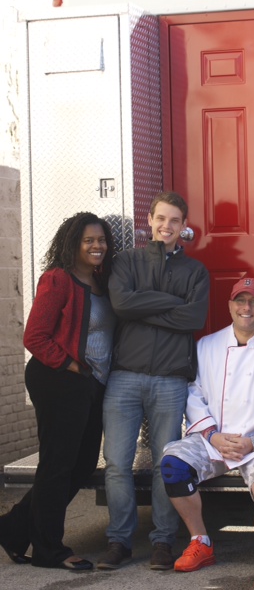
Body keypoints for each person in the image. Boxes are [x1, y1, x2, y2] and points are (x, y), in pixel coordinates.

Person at [97, 191, 210, 571]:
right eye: (161, 218)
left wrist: (144, 304)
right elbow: (122, 305)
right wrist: (168, 301)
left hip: (169, 381)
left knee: (167, 463)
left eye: (174, 220)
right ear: (149, 219)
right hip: (124, 378)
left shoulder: (195, 272)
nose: (166, 226)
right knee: (116, 463)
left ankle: (163, 540)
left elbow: (192, 319)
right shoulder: (126, 261)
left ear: (183, 226)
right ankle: (120, 541)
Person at [0, 212, 115, 570]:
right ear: (73, 243)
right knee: (58, 465)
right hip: (59, 380)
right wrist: (73, 366)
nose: (97, 246)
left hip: (89, 384)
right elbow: (34, 336)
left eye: (101, 240)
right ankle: (49, 550)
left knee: (79, 466)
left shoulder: (101, 281)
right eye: (88, 240)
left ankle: (14, 528)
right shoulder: (59, 280)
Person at [160, 277, 254, 590]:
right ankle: (200, 542)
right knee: (173, 464)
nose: (246, 307)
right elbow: (194, 392)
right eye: (240, 301)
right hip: (214, 439)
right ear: (230, 306)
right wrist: (212, 436)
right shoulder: (207, 346)